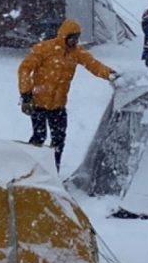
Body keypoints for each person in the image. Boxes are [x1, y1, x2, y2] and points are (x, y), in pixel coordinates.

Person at [17, 18, 118, 171]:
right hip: (38, 102)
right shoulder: (44, 49)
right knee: (39, 137)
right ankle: (29, 170)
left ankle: (53, 170)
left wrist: (110, 74)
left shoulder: (77, 52)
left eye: (77, 38)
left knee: (58, 140)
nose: (75, 41)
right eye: (72, 38)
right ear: (64, 36)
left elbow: (93, 65)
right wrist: (26, 94)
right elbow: (24, 69)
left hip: (58, 105)